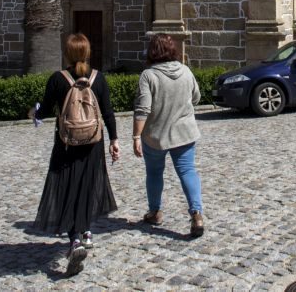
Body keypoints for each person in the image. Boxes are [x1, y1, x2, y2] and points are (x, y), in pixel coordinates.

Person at [34, 33, 120, 275]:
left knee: (68, 187)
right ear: (88, 53)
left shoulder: (57, 79)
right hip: (93, 143)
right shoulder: (98, 79)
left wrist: (34, 113)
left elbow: (44, 108)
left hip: (66, 144)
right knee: (87, 185)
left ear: (68, 54)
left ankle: (74, 240)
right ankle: (87, 231)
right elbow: (109, 112)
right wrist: (114, 140)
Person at [132, 33, 205, 238]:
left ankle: (155, 212)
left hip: (155, 136)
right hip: (184, 133)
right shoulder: (186, 71)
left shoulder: (148, 75)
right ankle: (197, 214)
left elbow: (143, 109)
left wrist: (136, 136)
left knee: (154, 173)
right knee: (188, 172)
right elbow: (196, 97)